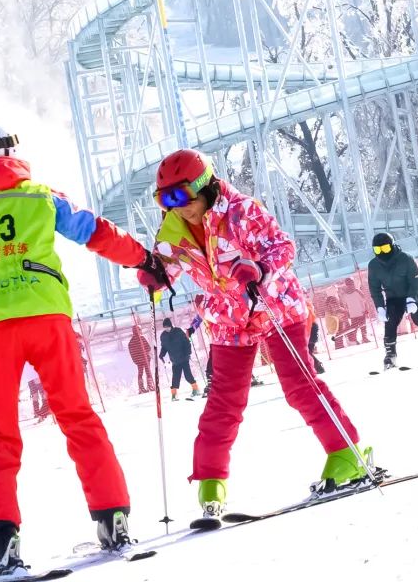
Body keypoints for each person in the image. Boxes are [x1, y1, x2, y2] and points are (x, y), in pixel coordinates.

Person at [0, 126, 167, 579]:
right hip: (47, 320)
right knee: (77, 415)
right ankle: (113, 518)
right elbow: (95, 231)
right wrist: (143, 260)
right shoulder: (40, 197)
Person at [136, 148, 370, 522]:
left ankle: (347, 453)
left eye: (182, 197)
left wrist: (258, 268)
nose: (179, 208)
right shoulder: (172, 228)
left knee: (299, 384)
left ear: (205, 186)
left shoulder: (242, 211)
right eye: (166, 200)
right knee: (224, 401)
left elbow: (283, 247)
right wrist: (157, 278)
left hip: (273, 304)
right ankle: (210, 478)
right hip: (228, 318)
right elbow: (168, 266)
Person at [367, 232, 418, 369]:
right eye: (378, 250)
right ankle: (390, 354)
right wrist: (379, 307)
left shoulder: (405, 259)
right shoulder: (374, 265)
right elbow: (374, 288)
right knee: (390, 321)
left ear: (392, 246)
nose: (382, 253)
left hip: (411, 294)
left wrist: (411, 299)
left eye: (385, 248)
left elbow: (416, 280)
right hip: (393, 298)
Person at [159, 318, 201, 400]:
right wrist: (162, 354)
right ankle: (174, 395)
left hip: (184, 358)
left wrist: (188, 353)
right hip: (175, 360)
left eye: (168, 327)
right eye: (165, 327)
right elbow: (164, 347)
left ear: (171, 325)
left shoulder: (178, 331)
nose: (166, 328)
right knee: (175, 378)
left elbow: (186, 342)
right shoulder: (163, 336)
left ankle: (196, 389)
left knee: (188, 375)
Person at [337, 277, 369, 346]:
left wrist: (366, 310)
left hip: (359, 313)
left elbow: (364, 301)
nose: (351, 285)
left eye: (351, 283)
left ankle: (363, 338)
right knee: (356, 328)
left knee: (361, 327)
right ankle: (356, 340)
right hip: (355, 314)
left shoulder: (354, 292)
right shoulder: (347, 294)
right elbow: (345, 305)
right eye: (350, 283)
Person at [127, 324, 153, 394]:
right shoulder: (142, 339)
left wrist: (135, 360)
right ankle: (150, 386)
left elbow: (131, 352)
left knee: (140, 373)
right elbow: (148, 348)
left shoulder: (131, 342)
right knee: (148, 372)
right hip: (145, 359)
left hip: (138, 361)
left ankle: (141, 388)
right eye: (140, 330)